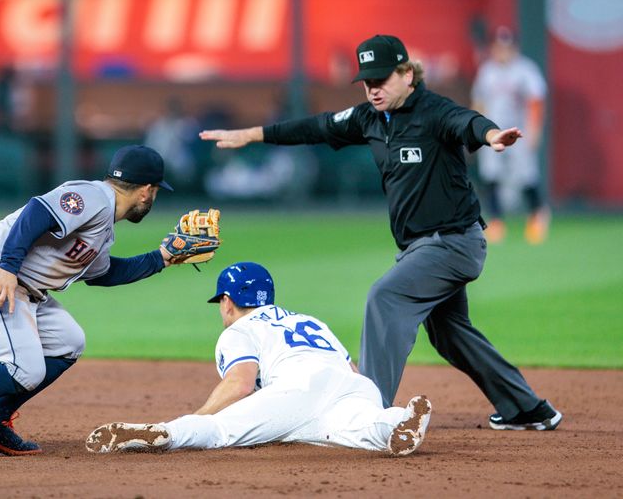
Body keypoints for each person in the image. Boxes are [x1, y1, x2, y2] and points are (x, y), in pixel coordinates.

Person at [199, 35, 562, 432]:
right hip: (420, 249)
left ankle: (366, 412)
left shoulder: (434, 111)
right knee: (450, 333)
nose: (373, 88)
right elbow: (315, 127)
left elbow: (467, 122)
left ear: (407, 74)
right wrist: (251, 134)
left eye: (382, 78)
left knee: (385, 297)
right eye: (367, 81)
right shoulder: (369, 118)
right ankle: (525, 408)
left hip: (454, 243)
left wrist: (491, 135)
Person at [0, 145, 178, 460]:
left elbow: (104, 274)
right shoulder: (95, 196)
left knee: (67, 343)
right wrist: (8, 266)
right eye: (155, 192)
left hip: (22, 287)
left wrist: (164, 258)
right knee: (23, 369)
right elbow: (37, 212)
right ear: (146, 191)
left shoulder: (103, 226)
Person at [86, 262, 433, 456]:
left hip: (297, 389)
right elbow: (352, 369)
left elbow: (240, 384)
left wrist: (201, 415)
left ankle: (166, 432)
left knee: (218, 430)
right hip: (356, 387)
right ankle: (395, 420)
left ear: (226, 301)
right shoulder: (309, 319)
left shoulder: (238, 330)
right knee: (352, 431)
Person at [471, 26, 550, 244]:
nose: (502, 50)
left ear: (514, 47)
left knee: (526, 176)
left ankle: (537, 215)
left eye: (506, 46)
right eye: (498, 46)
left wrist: (535, 130)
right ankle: (496, 222)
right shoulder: (487, 70)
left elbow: (536, 102)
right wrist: (476, 131)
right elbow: (478, 102)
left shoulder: (525, 69)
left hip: (519, 132)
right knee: (491, 175)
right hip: (492, 132)